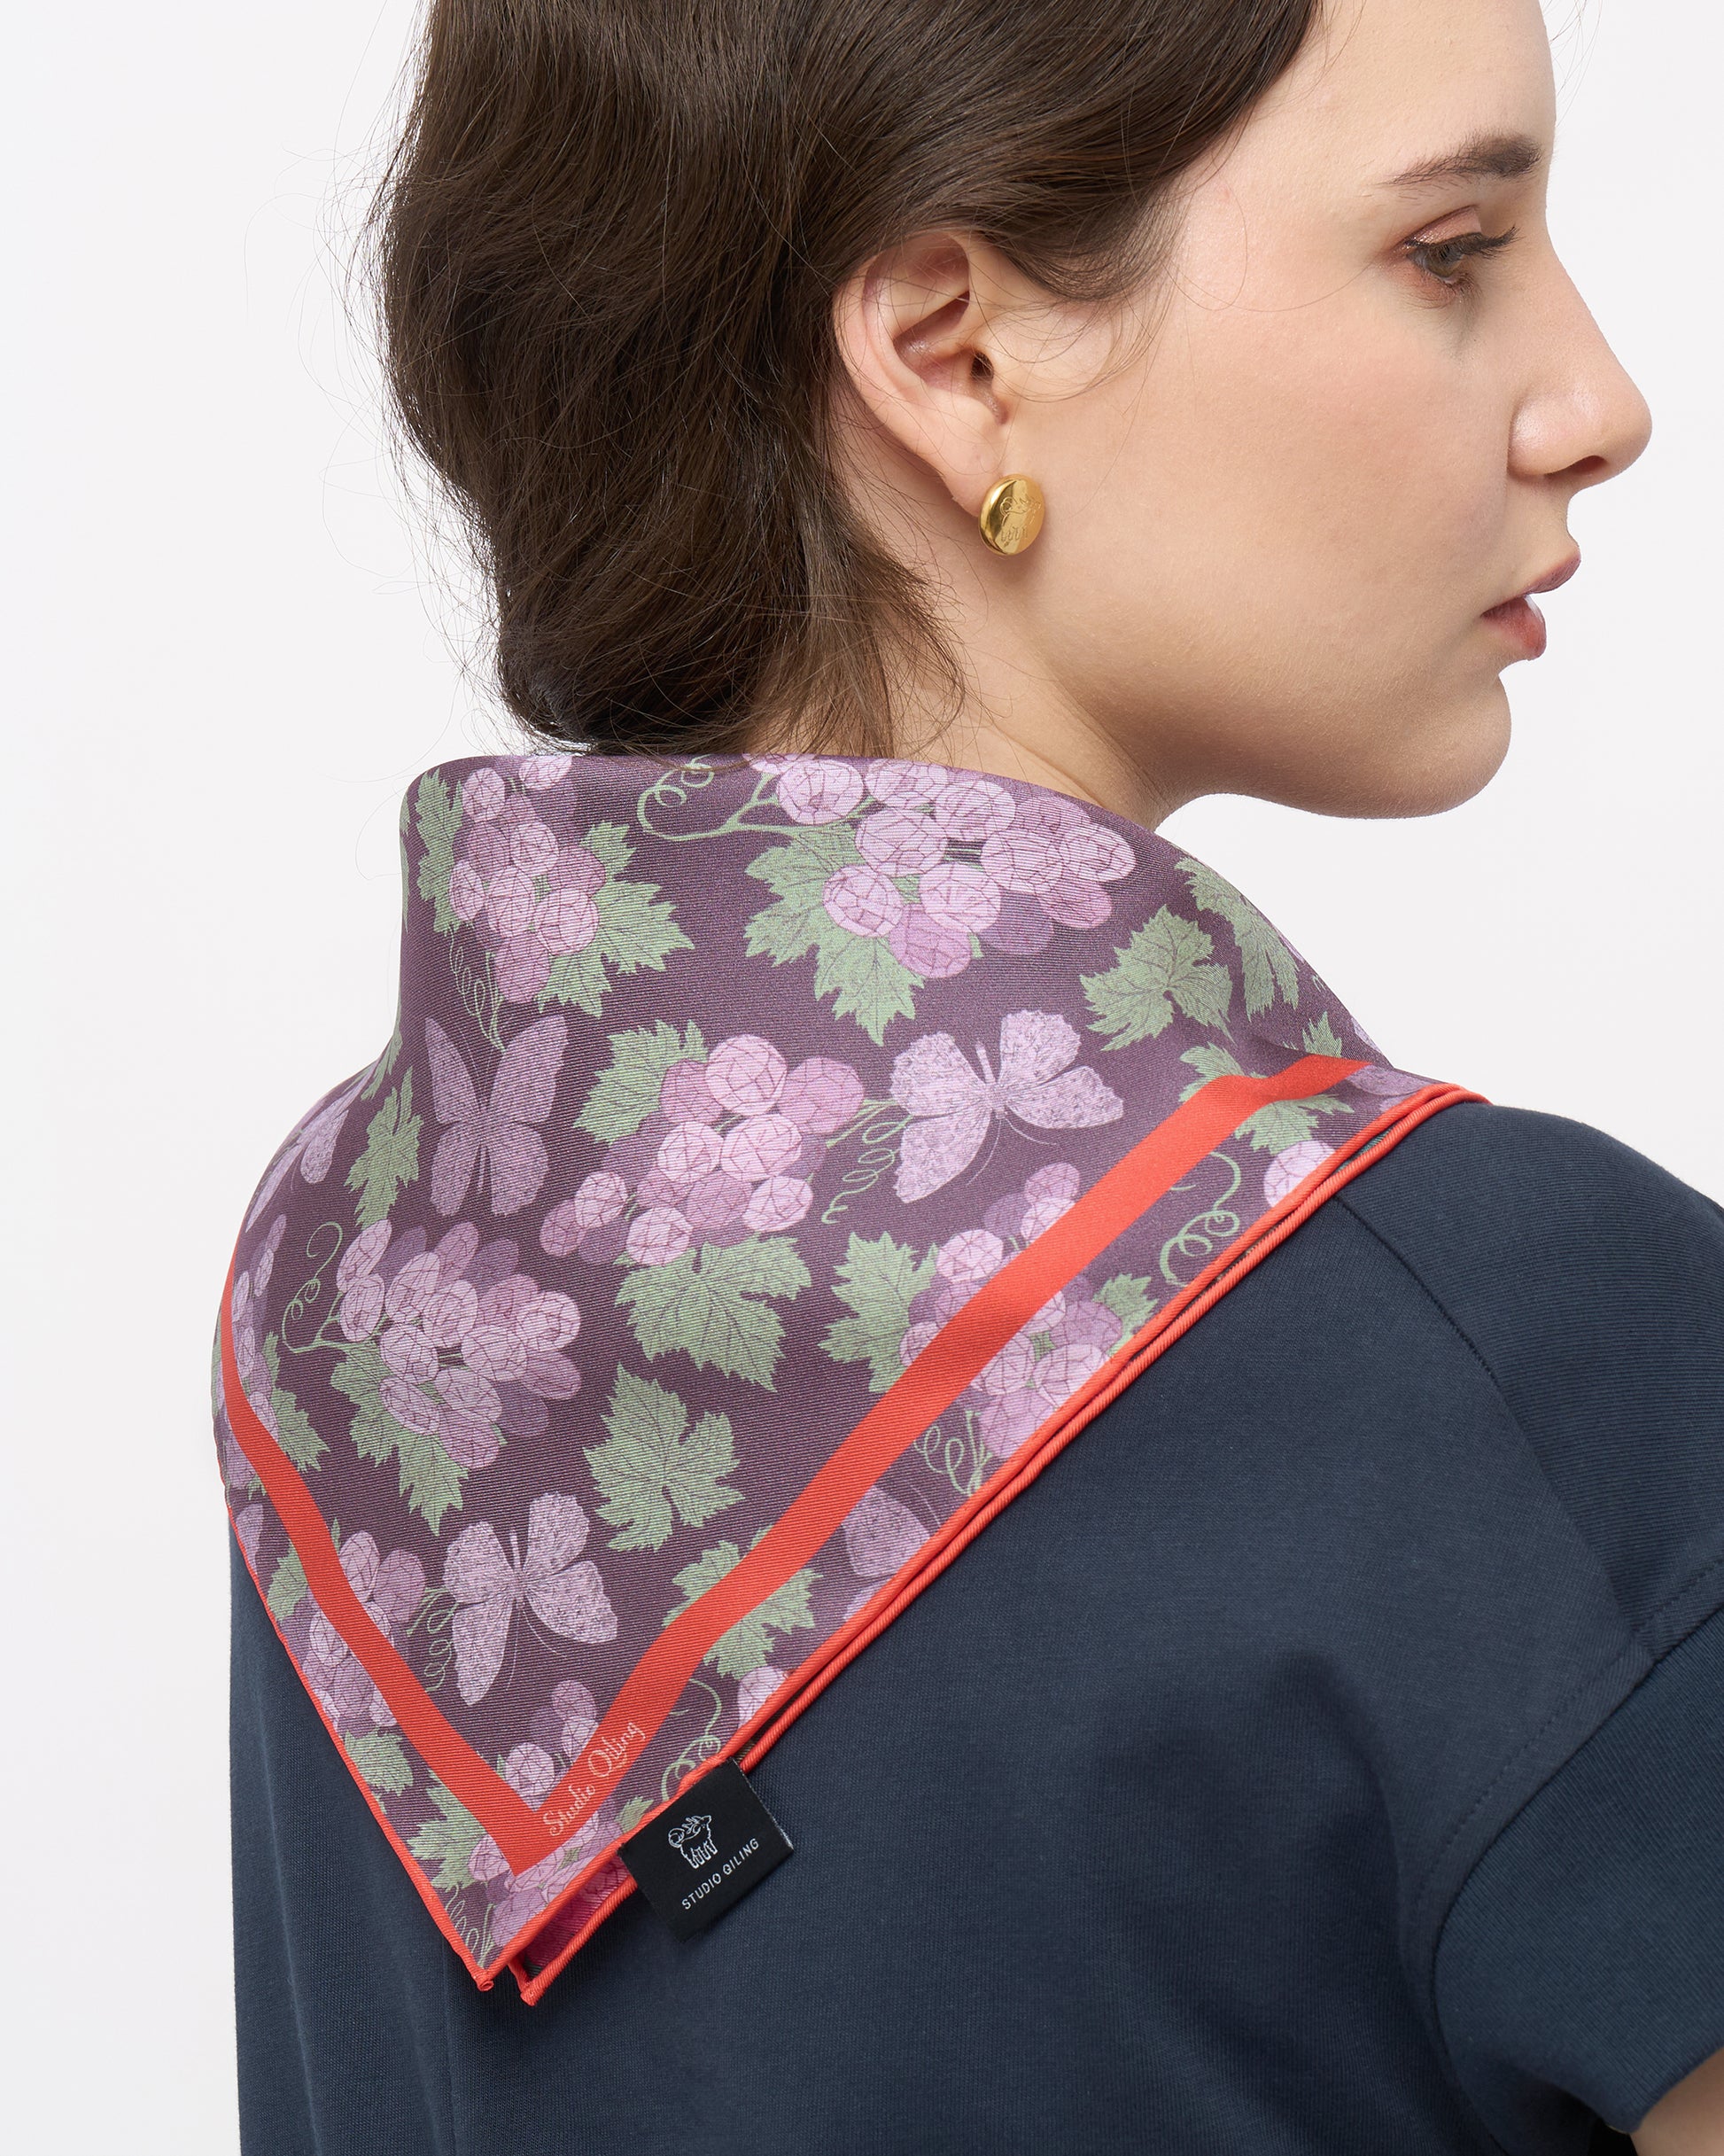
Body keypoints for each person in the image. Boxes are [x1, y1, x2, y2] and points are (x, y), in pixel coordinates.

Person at [214, 1, 1724, 2151]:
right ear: (955, 354)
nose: (1599, 402)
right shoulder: (1510, 1353)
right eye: (1449, 250)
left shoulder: (351, 1296)